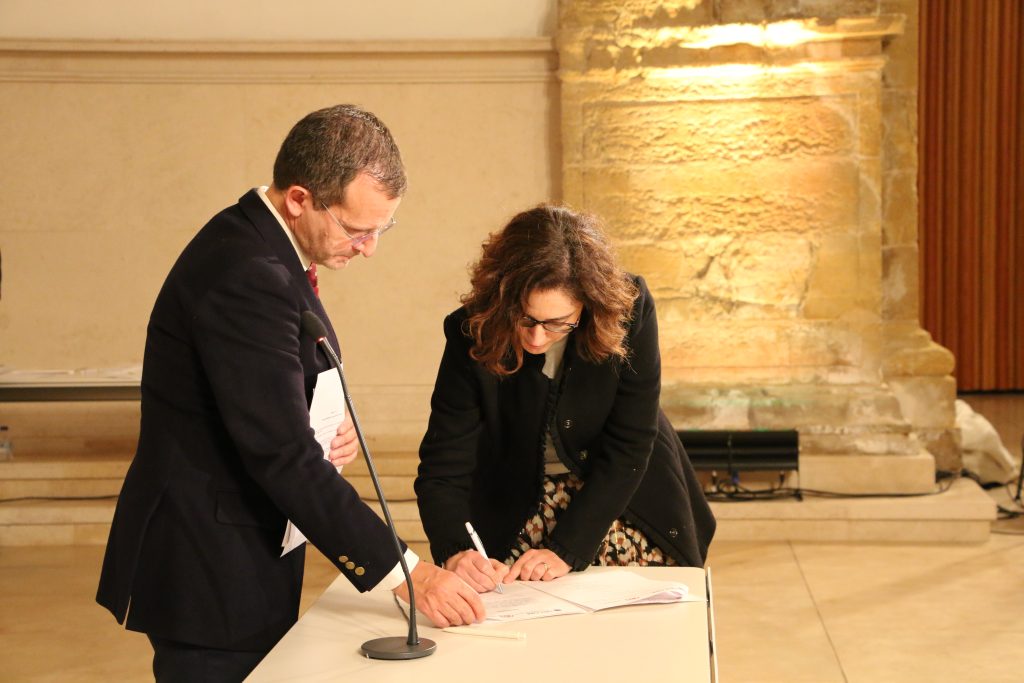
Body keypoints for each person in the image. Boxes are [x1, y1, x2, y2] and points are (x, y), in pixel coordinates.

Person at [96, 104, 484, 682]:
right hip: (209, 562)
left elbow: (256, 398)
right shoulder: (248, 272)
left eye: (383, 229)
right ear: (300, 198)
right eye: (358, 230)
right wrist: (409, 572)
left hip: (238, 545)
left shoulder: (260, 245)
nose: (370, 248)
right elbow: (279, 453)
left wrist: (316, 421)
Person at [415, 205, 716, 592]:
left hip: (620, 491)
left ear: (588, 305)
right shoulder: (471, 328)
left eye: (558, 324)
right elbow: (444, 464)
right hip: (516, 494)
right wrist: (456, 549)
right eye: (525, 318)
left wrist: (567, 549)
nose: (537, 338)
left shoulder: (628, 307)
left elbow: (630, 445)